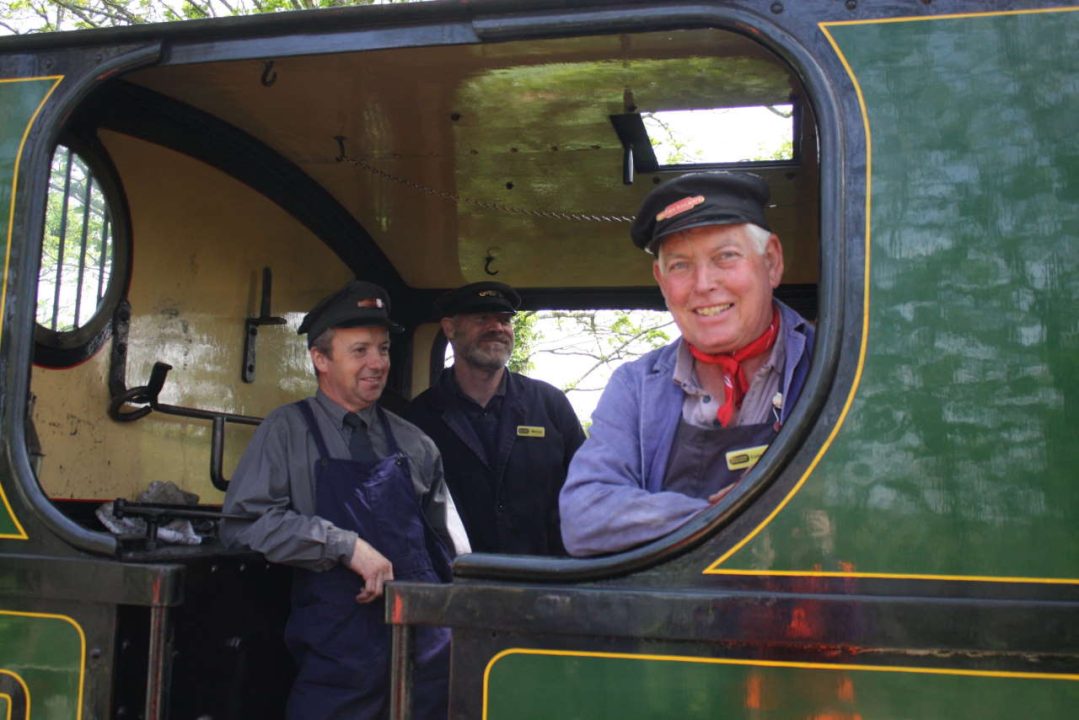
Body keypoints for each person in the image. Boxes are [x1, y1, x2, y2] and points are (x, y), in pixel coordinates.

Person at [221, 280, 463, 720]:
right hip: (340, 661)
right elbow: (244, 526)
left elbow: (451, 551)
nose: (377, 363)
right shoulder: (287, 431)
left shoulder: (417, 444)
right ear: (320, 359)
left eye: (383, 349)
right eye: (360, 351)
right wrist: (343, 545)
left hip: (426, 658)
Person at [559, 172, 815, 557]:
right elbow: (584, 518)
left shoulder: (837, 361)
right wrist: (734, 515)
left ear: (772, 262)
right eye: (680, 266)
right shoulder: (635, 386)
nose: (703, 284)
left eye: (725, 256)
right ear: (661, 282)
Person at [407, 281, 586, 555]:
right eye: (482, 319)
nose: (497, 328)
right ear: (449, 328)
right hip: (455, 586)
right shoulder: (418, 419)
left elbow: (587, 492)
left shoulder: (550, 405)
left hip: (548, 582)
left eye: (504, 320)